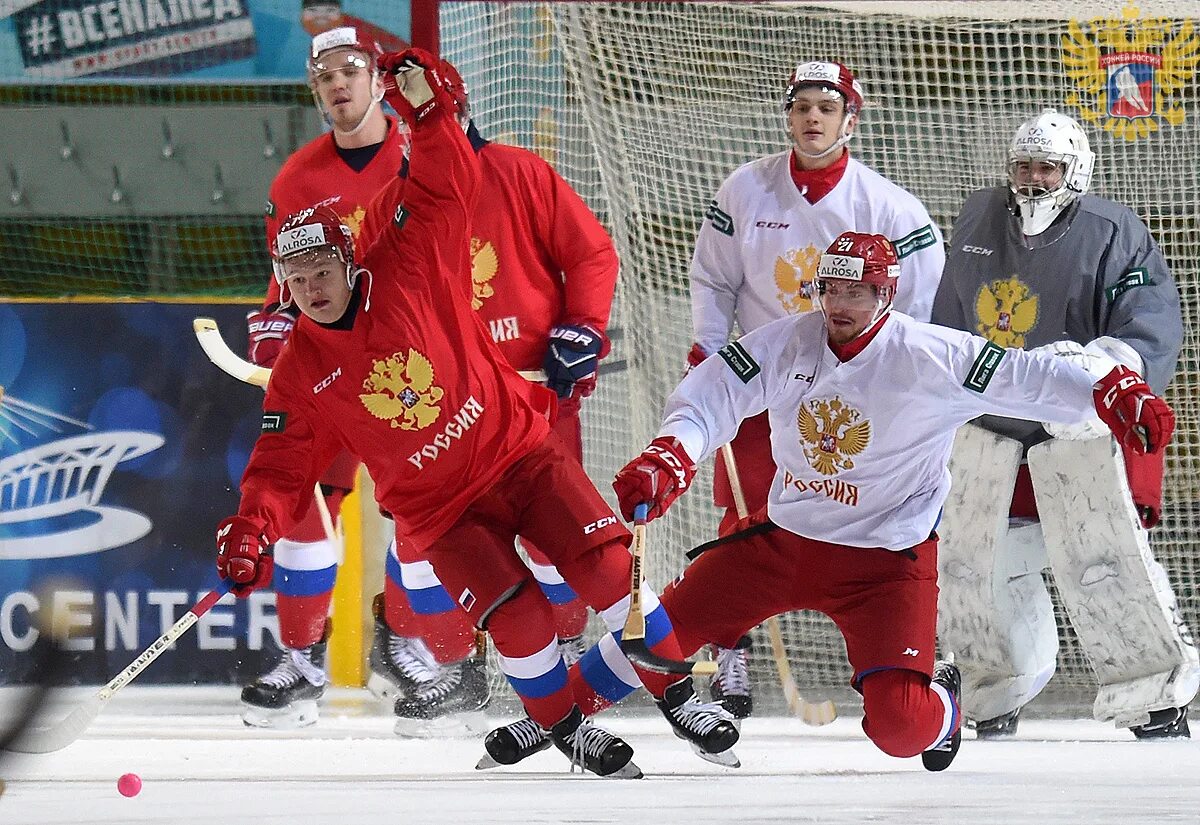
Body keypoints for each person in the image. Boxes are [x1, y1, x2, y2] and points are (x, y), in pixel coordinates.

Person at [215, 49, 738, 778]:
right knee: (518, 618)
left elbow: (439, 185)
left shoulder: (406, 263)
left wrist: (428, 118)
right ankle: (565, 728)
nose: (312, 289)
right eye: (295, 280)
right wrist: (251, 526)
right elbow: (279, 468)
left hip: (519, 455)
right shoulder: (301, 369)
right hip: (441, 511)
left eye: (322, 272)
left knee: (610, 572)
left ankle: (678, 692)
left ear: (350, 262)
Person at [480, 231, 1175, 774]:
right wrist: (672, 453)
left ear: (888, 294)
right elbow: (713, 392)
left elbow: (1028, 375)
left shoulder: (933, 354)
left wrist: (1109, 389)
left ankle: (946, 703)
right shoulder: (789, 341)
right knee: (654, 638)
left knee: (901, 730)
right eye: (829, 289)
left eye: (857, 292)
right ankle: (556, 715)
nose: (838, 306)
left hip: (887, 564)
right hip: (783, 545)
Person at [686, 60, 945, 717]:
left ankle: (890, 651)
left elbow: (920, 306)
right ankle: (728, 653)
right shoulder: (746, 188)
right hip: (760, 378)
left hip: (848, 391)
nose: (811, 118)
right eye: (801, 105)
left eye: (825, 108)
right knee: (743, 518)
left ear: (850, 119)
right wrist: (712, 353)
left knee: (856, 513)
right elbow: (713, 280)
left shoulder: (890, 207)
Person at [929, 108, 1197, 739]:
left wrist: (1096, 369)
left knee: (1100, 562)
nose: (1033, 180)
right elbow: (945, 320)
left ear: (1076, 170)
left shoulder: (1114, 230)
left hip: (1076, 430)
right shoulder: (975, 217)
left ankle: (1151, 697)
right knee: (977, 564)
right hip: (990, 428)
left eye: (1047, 167)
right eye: (1023, 166)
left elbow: (1148, 323)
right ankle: (993, 692)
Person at [240, 24, 461, 730]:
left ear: (375, 78)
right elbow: (281, 287)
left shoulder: (413, 154)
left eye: (351, 70)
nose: (338, 83)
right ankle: (304, 657)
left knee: (422, 511)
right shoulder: (295, 179)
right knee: (304, 505)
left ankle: (413, 645)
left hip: (408, 368)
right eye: (324, 76)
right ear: (315, 92)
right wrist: (273, 323)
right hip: (330, 374)